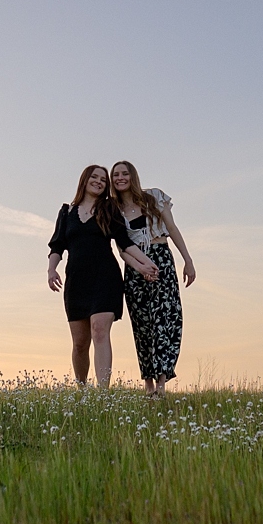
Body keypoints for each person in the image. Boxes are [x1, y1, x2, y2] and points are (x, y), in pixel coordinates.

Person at [47, 164, 158, 386]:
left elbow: (125, 243)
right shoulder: (66, 212)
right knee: (80, 343)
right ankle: (81, 389)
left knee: (99, 330)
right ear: (85, 180)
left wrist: (147, 263)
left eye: (103, 180)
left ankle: (103, 394)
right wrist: (52, 270)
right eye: (94, 177)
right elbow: (57, 245)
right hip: (76, 282)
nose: (99, 181)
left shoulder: (109, 209)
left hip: (105, 279)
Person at [108, 161, 194, 394]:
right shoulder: (114, 209)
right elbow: (121, 248)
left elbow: (172, 228)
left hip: (161, 259)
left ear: (133, 176)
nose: (120, 178)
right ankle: (147, 384)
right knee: (142, 323)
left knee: (164, 319)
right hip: (135, 265)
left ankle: (162, 382)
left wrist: (187, 260)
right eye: (115, 175)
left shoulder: (154, 197)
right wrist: (140, 267)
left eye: (124, 173)